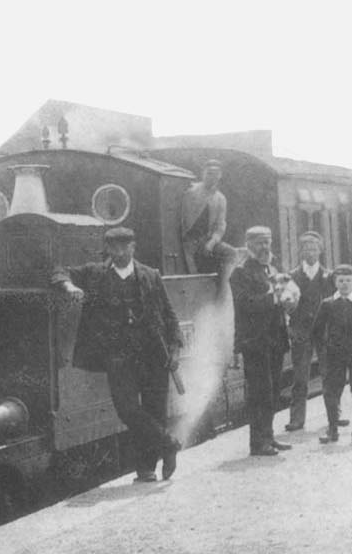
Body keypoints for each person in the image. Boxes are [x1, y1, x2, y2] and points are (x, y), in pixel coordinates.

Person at [53, 227, 183, 481]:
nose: (120, 252)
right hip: (118, 357)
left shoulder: (151, 275)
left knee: (155, 410)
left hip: (154, 355)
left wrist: (175, 349)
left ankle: (146, 470)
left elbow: (169, 315)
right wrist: (68, 287)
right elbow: (60, 271)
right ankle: (169, 443)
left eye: (125, 247)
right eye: (114, 247)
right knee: (127, 410)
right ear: (108, 249)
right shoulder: (95, 274)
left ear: (134, 247)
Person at [230, 225, 295, 456]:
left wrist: (288, 301)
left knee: (274, 390)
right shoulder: (241, 272)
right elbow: (245, 305)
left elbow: (281, 298)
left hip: (275, 338)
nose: (264, 246)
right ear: (248, 246)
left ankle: (269, 436)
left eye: (267, 241)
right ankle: (258, 443)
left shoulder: (273, 268)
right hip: (255, 341)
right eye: (259, 242)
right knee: (260, 393)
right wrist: (274, 298)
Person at [284, 231, 342, 431]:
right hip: (301, 330)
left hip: (324, 330)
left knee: (329, 373)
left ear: (321, 251)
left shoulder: (330, 276)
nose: (311, 252)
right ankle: (297, 419)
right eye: (306, 248)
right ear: (300, 251)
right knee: (300, 376)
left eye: (314, 248)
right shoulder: (292, 276)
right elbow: (287, 304)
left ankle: (335, 414)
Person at [311, 265, 352, 443]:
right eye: (341, 280)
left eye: (348, 280)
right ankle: (332, 430)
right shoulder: (327, 304)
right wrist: (327, 348)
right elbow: (317, 330)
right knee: (332, 391)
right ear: (335, 283)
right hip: (334, 355)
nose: (345, 284)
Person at [181, 159, 237, 279]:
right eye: (209, 173)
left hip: (205, 241)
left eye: (216, 174)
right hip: (187, 241)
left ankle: (223, 289)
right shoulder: (189, 191)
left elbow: (220, 226)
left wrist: (211, 243)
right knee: (192, 273)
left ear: (220, 176)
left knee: (231, 253)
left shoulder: (220, 199)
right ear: (203, 174)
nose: (212, 177)